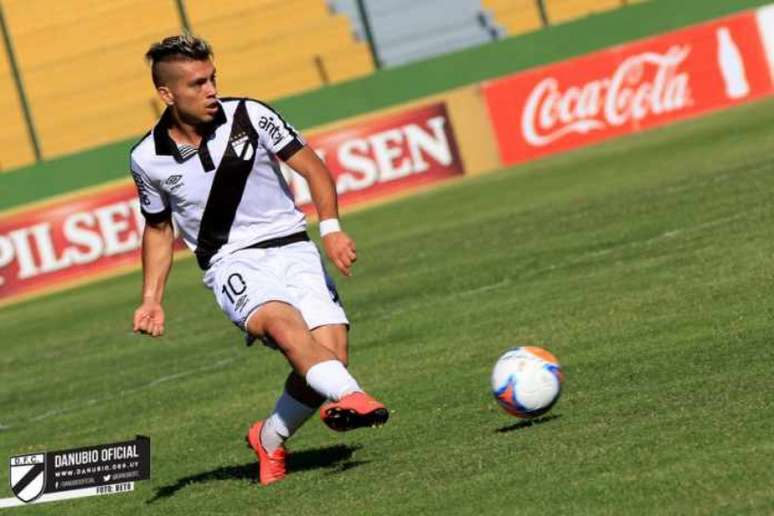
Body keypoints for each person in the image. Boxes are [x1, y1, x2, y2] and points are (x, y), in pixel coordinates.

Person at [129, 34, 388, 486]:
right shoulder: (147, 159)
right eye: (196, 84)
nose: (211, 90)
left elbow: (313, 167)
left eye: (212, 78)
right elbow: (157, 228)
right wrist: (151, 298)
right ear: (167, 94)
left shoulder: (251, 115)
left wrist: (330, 229)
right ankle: (354, 395)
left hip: (293, 246)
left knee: (328, 357)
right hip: (230, 261)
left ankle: (267, 439)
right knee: (285, 327)